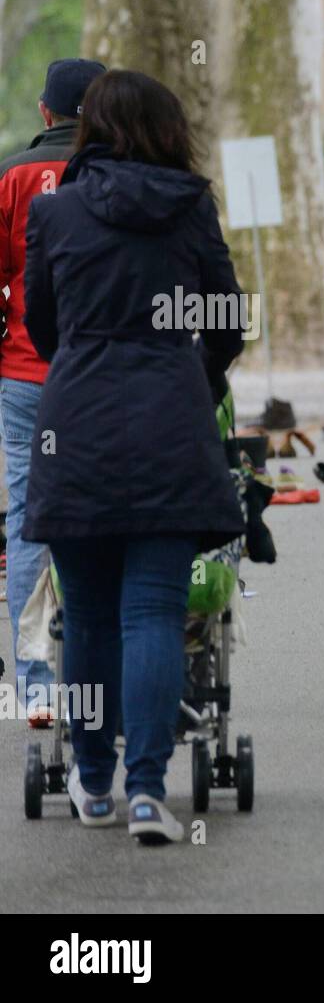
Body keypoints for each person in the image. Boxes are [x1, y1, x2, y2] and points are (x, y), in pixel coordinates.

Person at [23, 69, 246, 844]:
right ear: (168, 130)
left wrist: (88, 358)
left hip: (75, 423)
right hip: (170, 428)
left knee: (83, 616)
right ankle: (149, 793)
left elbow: (44, 329)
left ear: (88, 130)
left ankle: (92, 782)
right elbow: (227, 322)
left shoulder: (53, 213)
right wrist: (190, 375)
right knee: (153, 610)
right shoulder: (192, 209)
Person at [0, 57, 105, 722]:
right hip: (106, 381)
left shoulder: (11, 177)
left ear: (45, 113)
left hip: (25, 376)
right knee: (107, 516)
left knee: (26, 517)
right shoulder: (122, 177)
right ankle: (105, 668)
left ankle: (35, 679)